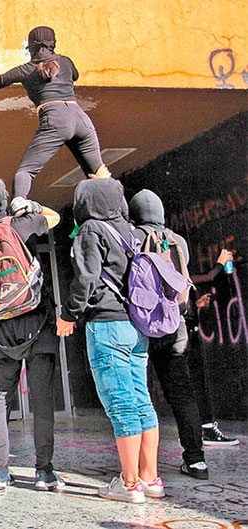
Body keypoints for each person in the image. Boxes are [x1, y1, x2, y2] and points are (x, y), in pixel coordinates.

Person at [57, 178, 161, 503]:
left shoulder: (90, 230)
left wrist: (68, 315)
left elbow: (86, 277)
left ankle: (129, 484)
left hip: (107, 325)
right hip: (135, 325)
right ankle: (150, 478)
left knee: (120, 404)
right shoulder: (130, 231)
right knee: (141, 398)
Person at [0, 179, 64, 491]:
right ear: (7, 201)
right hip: (37, 324)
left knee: (0, 399)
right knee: (42, 399)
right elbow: (56, 218)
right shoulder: (23, 225)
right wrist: (30, 206)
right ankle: (44, 471)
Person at [0, 26, 111, 200]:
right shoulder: (66, 62)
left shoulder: (26, 69)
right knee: (100, 174)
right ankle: (127, 219)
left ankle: (18, 206)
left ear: (31, 47)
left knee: (26, 171)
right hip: (81, 119)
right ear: (53, 44)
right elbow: (74, 75)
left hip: (55, 118)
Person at [128, 190, 209, 479]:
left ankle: (139, 464)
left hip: (140, 326)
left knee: (139, 392)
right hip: (175, 325)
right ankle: (196, 459)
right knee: (182, 393)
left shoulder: (132, 236)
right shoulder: (179, 241)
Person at [187, 248, 240, 447]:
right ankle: (204, 429)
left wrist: (195, 304)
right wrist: (220, 264)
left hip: (184, 329)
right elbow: (204, 278)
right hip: (183, 334)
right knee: (194, 383)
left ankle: (201, 428)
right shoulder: (170, 266)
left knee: (192, 384)